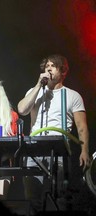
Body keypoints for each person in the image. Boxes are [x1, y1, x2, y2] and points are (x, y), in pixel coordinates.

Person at [17, 54, 90, 212]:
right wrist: (38, 85)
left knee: (58, 196)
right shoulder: (34, 91)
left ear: (63, 71)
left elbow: (81, 126)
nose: (48, 68)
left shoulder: (72, 95)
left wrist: (84, 151)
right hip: (34, 148)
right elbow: (22, 110)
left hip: (59, 149)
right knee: (32, 197)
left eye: (53, 66)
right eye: (46, 66)